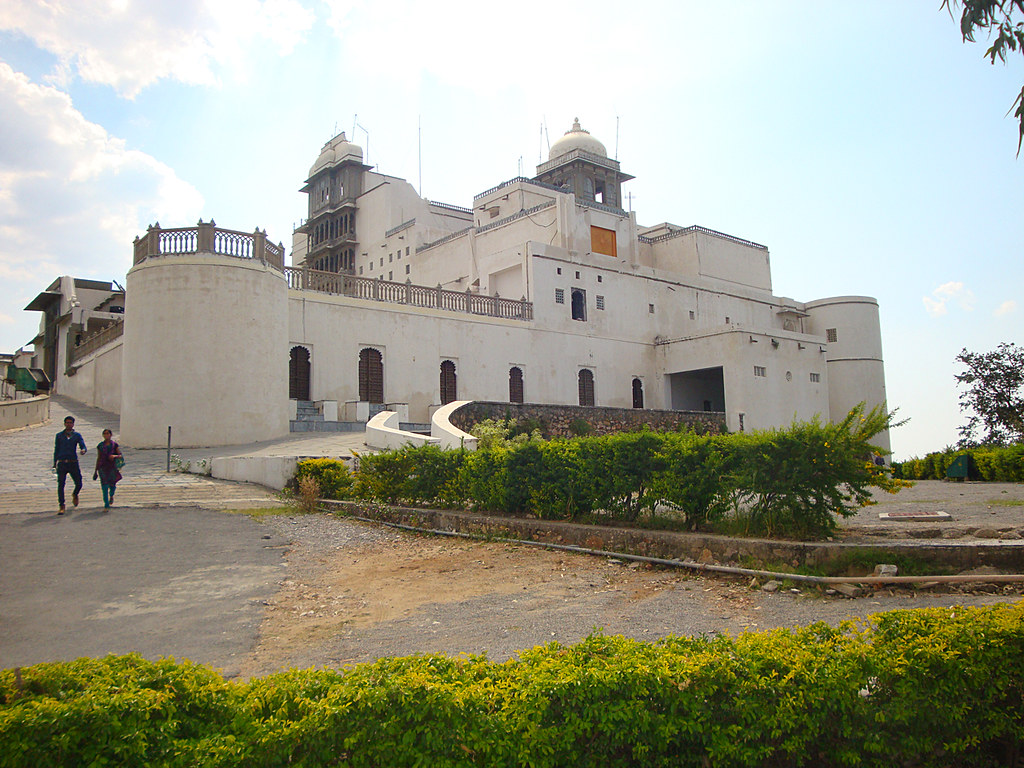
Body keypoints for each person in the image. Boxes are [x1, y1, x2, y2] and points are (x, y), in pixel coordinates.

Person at [53, 416, 86, 515]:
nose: (68, 424)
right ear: (64, 424)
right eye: (67, 422)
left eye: (70, 423)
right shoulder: (59, 435)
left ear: (73, 424)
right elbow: (56, 449)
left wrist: (83, 449)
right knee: (61, 485)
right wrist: (55, 463)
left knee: (79, 483)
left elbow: (82, 444)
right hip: (62, 462)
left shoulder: (76, 435)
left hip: (73, 462)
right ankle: (62, 505)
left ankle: (75, 494)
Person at [93, 429, 123, 510]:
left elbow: (120, 455)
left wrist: (114, 456)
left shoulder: (114, 445)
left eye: (108, 433)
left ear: (111, 435)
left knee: (112, 485)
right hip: (103, 467)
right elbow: (99, 457)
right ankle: (106, 504)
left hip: (112, 467)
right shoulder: (100, 446)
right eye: (105, 434)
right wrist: (95, 470)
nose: (106, 435)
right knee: (104, 486)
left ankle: (111, 495)